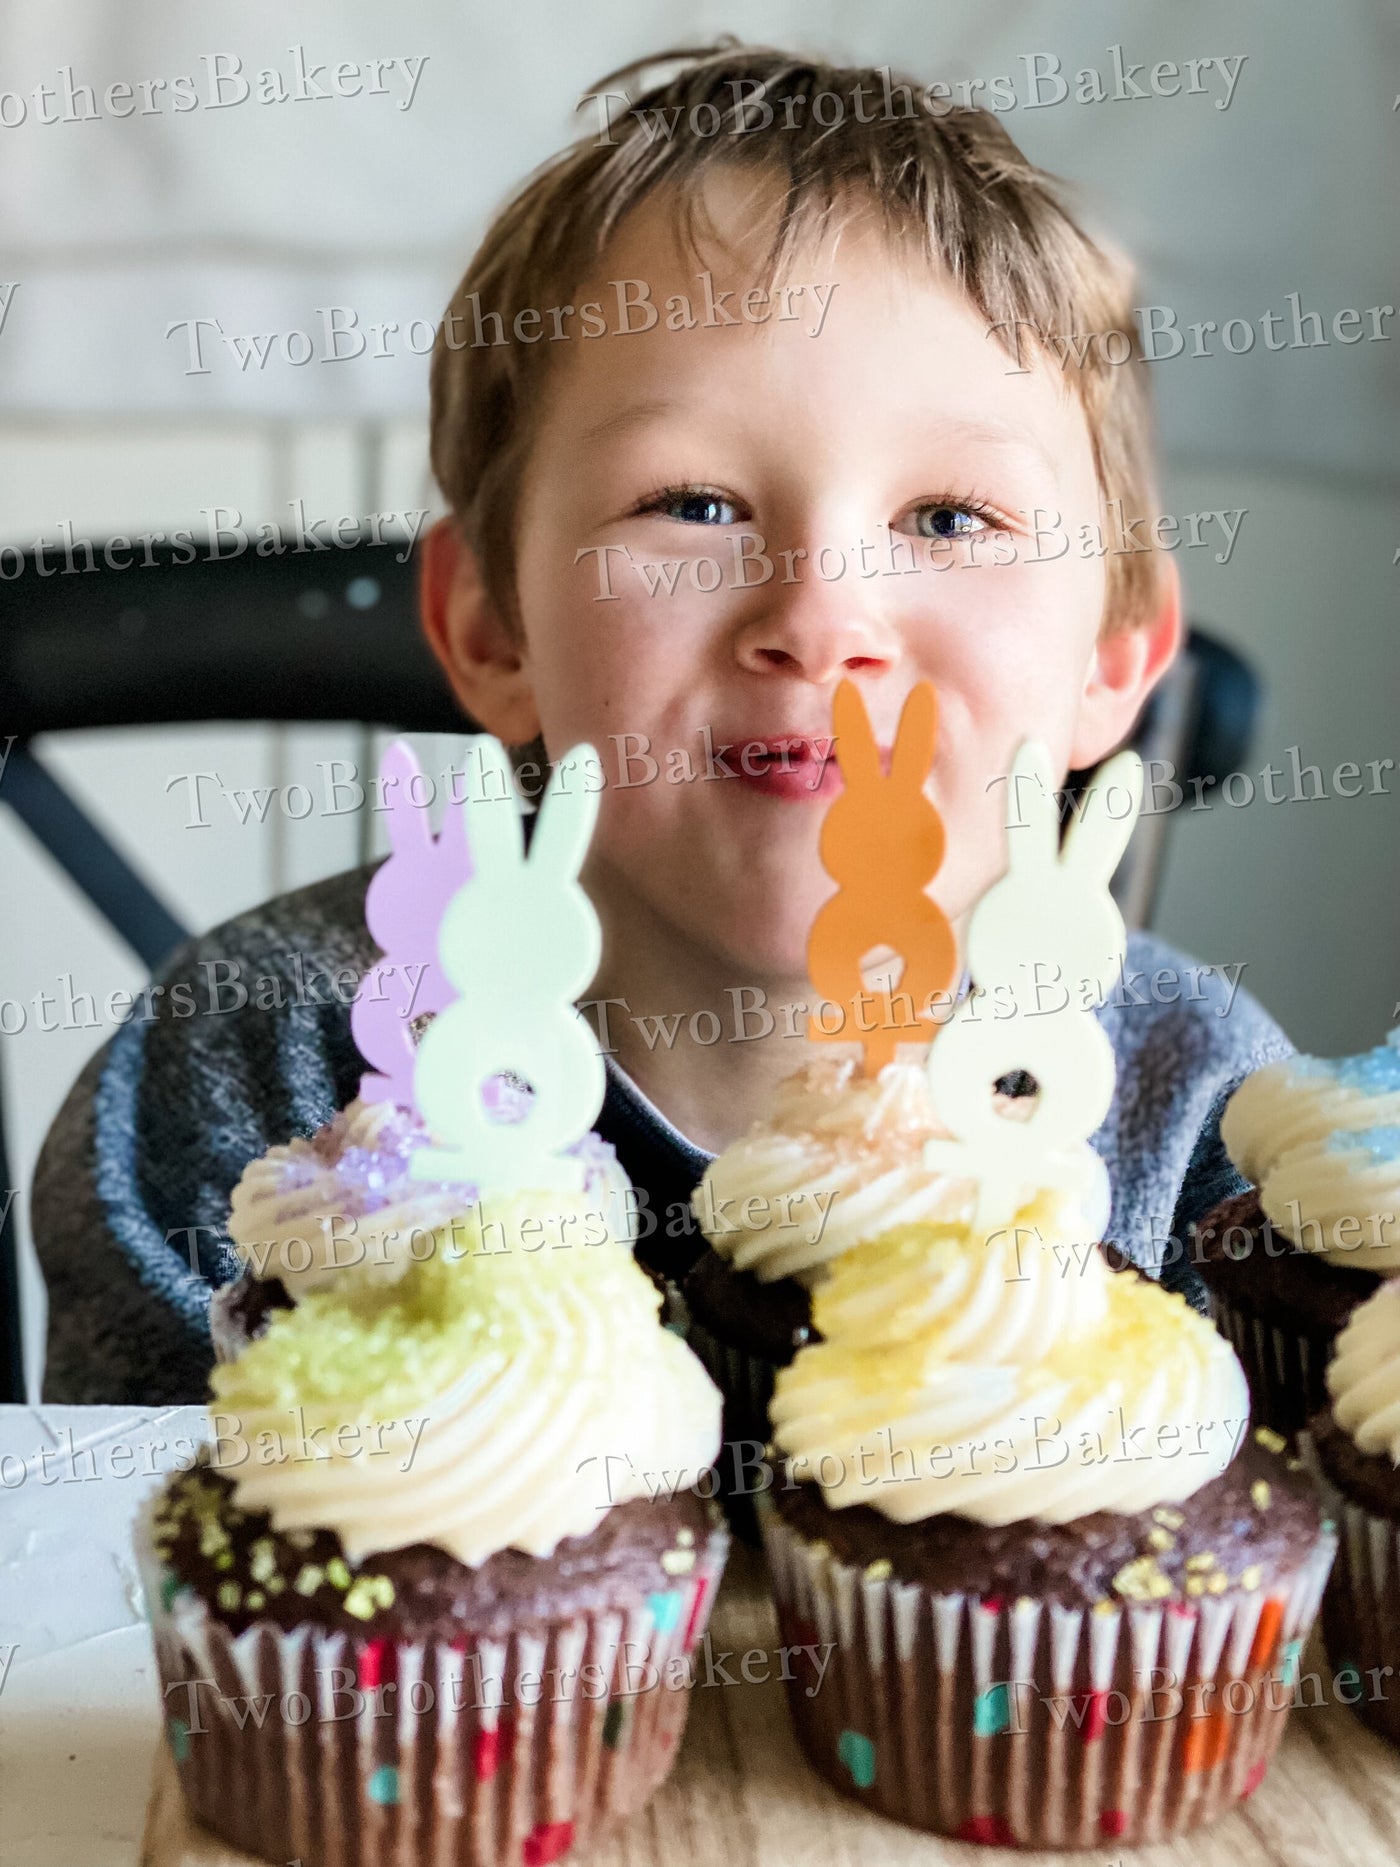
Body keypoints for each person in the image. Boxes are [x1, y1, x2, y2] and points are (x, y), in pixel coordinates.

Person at [32, 44, 1287, 1402]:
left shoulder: (1210, 1125)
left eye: (948, 518)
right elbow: (134, 1578)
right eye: (693, 504)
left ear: (1115, 656)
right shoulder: (256, 1068)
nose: (819, 616)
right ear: (489, 628)